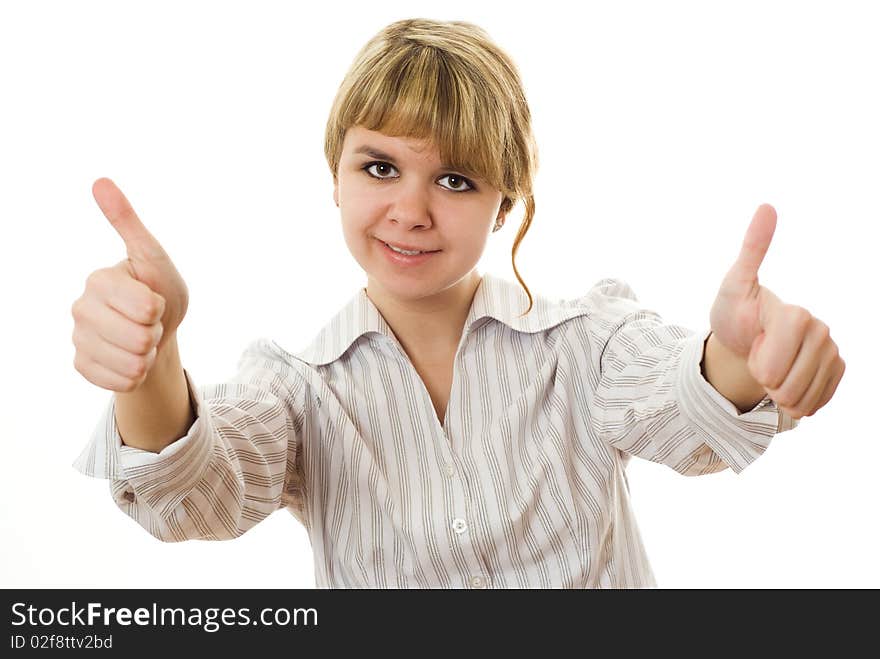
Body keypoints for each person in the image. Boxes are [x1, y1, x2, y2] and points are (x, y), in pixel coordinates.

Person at [71, 18, 845, 588]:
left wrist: (741, 358)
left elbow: (679, 397)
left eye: (455, 180)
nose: (410, 210)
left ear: (505, 204)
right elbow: (198, 493)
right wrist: (150, 361)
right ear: (334, 174)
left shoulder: (584, 343)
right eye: (379, 168)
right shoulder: (297, 387)